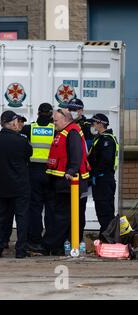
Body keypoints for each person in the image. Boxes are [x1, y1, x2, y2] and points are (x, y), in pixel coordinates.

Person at [41, 109, 91, 255]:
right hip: (61, 181)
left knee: (61, 216)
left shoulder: (72, 133)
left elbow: (77, 154)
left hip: (70, 182)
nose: (54, 123)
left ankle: (48, 245)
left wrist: (71, 171)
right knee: (62, 215)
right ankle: (57, 247)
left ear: (66, 120)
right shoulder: (65, 131)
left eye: (56, 120)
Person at [0, 110, 32, 258]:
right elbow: (28, 154)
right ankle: (20, 250)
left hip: (1, 185)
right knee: (22, 217)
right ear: (13, 123)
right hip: (20, 185)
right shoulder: (22, 140)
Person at [20, 103, 55, 251]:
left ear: (38, 113)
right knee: (51, 208)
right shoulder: (56, 129)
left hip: (33, 172)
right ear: (51, 114)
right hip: (51, 173)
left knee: (35, 208)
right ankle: (51, 240)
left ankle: (34, 240)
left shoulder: (30, 128)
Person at [64, 98, 92, 242]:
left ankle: (77, 239)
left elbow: (88, 153)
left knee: (79, 210)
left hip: (81, 175)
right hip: (66, 174)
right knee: (66, 209)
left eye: (75, 109)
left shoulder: (87, 127)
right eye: (70, 109)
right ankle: (67, 239)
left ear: (81, 111)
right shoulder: (65, 124)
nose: (72, 112)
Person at [87, 113, 119, 237]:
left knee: (105, 211)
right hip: (101, 179)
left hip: (104, 179)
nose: (92, 126)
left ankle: (107, 238)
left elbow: (105, 160)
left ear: (100, 124)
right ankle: (105, 236)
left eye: (94, 123)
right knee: (102, 210)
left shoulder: (107, 140)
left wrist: (95, 173)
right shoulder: (100, 138)